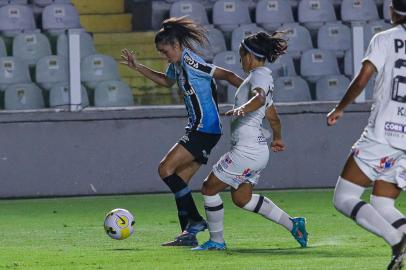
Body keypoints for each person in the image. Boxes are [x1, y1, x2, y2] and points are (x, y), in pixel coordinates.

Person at [120, 16, 244, 246]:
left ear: (177, 45)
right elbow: (166, 81)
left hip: (204, 128)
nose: (164, 56)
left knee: (165, 169)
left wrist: (251, 94)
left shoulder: (191, 62)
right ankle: (188, 234)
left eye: (165, 51)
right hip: (202, 129)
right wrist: (137, 67)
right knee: (180, 180)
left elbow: (227, 75)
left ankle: (195, 222)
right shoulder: (177, 65)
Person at [191, 32, 308, 251]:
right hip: (258, 151)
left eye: (241, 55)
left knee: (208, 188)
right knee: (242, 199)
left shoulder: (259, 76)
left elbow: (260, 98)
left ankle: (216, 241)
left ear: (250, 56)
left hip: (246, 151)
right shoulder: (263, 77)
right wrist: (278, 138)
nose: (240, 60)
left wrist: (242, 108)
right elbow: (272, 115)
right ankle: (294, 225)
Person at [327, 1, 406, 269]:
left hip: (384, 133)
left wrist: (339, 108)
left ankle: (397, 240)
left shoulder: (384, 39)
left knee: (344, 197)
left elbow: (362, 79)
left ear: (392, 11)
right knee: (383, 202)